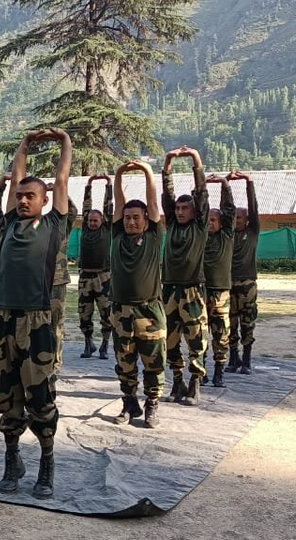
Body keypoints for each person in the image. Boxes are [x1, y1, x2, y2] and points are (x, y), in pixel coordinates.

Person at [0, 128, 71, 499]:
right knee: (7, 397)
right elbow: (15, 178)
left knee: (40, 398)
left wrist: (64, 142)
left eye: (30, 196)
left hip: (38, 321)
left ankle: (47, 462)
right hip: (3, 318)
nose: (23, 200)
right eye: (20, 195)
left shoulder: (55, 224)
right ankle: (12, 458)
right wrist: (22, 146)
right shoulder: (8, 223)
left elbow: (62, 177)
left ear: (44, 200)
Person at [109, 159, 166, 429]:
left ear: (146, 221)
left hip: (149, 311)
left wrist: (146, 171)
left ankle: (152, 403)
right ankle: (129, 402)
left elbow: (154, 204)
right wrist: (119, 174)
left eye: (136, 218)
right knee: (125, 362)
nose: (131, 221)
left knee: (153, 362)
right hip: (120, 311)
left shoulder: (154, 237)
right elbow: (118, 204)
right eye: (128, 217)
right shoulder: (118, 236)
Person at [160, 146, 210, 406]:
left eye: (184, 208)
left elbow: (201, 192)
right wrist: (167, 162)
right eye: (177, 208)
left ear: (193, 211)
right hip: (168, 289)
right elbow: (166, 196)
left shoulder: (200, 226)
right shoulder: (170, 223)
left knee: (196, 339)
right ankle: (177, 381)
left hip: (192, 290)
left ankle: (195, 384)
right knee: (169, 338)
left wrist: (195, 159)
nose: (179, 211)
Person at [203, 172, 237, 388]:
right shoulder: (199, 236)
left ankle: (219, 371)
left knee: (221, 335)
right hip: (201, 291)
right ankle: (202, 371)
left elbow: (229, 210)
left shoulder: (226, 236)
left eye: (213, 220)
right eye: (207, 220)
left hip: (222, 293)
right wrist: (202, 186)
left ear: (220, 222)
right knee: (200, 335)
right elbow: (199, 207)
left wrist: (224, 184)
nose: (210, 224)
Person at [77, 175, 113, 359]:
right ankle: (88, 343)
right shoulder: (84, 227)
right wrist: (89, 185)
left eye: (95, 221)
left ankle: (105, 345)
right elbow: (86, 206)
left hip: (103, 277)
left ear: (101, 221)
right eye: (90, 220)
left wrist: (109, 184)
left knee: (106, 313)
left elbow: (109, 206)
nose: (91, 223)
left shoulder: (106, 229)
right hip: (85, 278)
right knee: (84, 313)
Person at [227, 172, 259, 375]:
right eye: (234, 217)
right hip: (229, 284)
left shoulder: (253, 231)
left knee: (247, 323)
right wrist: (225, 185)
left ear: (246, 220)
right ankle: (233, 358)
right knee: (230, 323)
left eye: (239, 217)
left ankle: (246, 360)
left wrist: (249, 182)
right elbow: (224, 208)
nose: (235, 220)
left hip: (247, 284)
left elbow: (254, 207)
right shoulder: (226, 234)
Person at [48, 182, 77, 376]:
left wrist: (61, 192)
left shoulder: (62, 227)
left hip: (57, 281)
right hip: (36, 282)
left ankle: (55, 364)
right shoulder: (37, 225)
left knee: (55, 324)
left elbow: (73, 210)